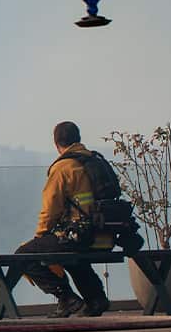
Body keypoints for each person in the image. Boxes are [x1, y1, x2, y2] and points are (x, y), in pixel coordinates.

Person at [16, 121, 112, 318]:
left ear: (56, 143)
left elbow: (50, 210)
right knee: (70, 256)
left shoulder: (63, 167)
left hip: (80, 236)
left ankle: (66, 298)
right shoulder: (94, 160)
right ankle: (95, 299)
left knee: (24, 256)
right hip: (105, 236)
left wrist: (40, 236)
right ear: (78, 138)